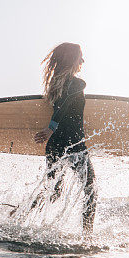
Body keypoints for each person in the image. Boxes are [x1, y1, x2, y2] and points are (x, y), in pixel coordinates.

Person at [34, 42, 97, 234]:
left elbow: (62, 103)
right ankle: (87, 236)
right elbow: (65, 104)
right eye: (80, 57)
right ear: (72, 59)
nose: (83, 60)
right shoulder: (77, 84)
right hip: (74, 145)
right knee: (91, 189)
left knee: (53, 192)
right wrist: (51, 127)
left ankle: (18, 215)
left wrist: (52, 130)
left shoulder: (56, 85)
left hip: (55, 146)